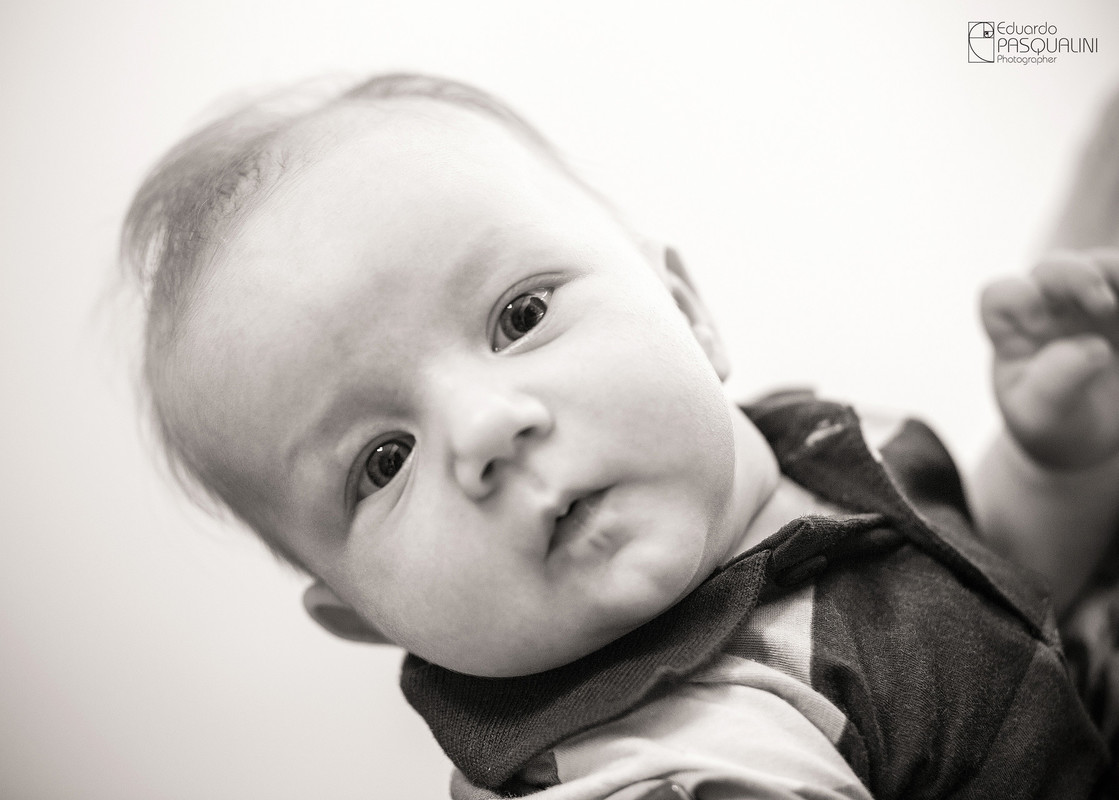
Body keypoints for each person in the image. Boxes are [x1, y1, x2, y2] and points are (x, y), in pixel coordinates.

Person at [120, 73, 1119, 798]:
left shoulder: (848, 453)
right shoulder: (655, 747)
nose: (487, 427)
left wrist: (1050, 462)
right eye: (383, 461)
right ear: (365, 615)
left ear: (688, 309)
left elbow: (1011, 597)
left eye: (520, 317)